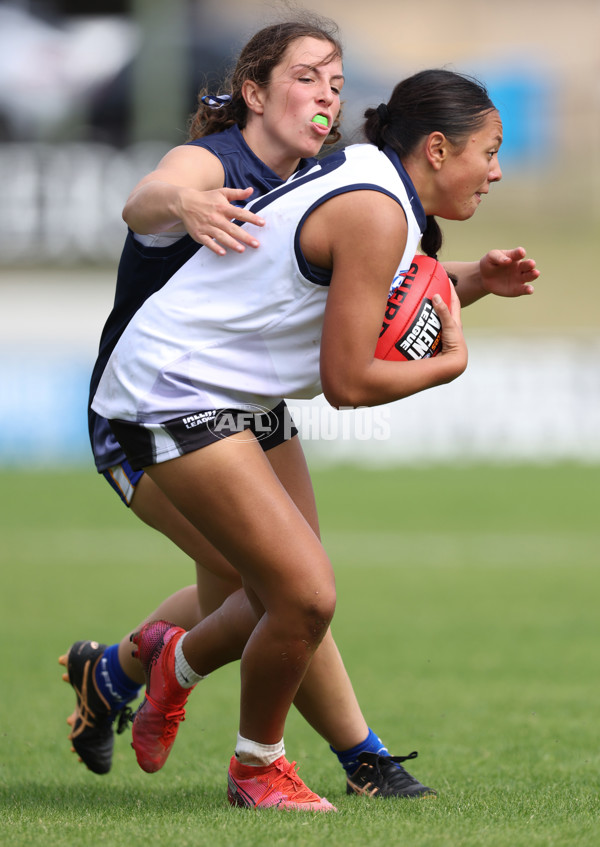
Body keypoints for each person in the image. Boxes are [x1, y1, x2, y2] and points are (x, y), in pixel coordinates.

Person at [59, 15, 539, 798]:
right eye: (308, 77)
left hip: (236, 387)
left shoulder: (339, 173)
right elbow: (144, 200)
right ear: (253, 91)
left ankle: (134, 669)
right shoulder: (219, 161)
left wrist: (469, 280)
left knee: (285, 591)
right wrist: (186, 202)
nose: (327, 95)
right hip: (160, 390)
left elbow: (368, 296)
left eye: (338, 83)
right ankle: (323, 759)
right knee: (289, 589)